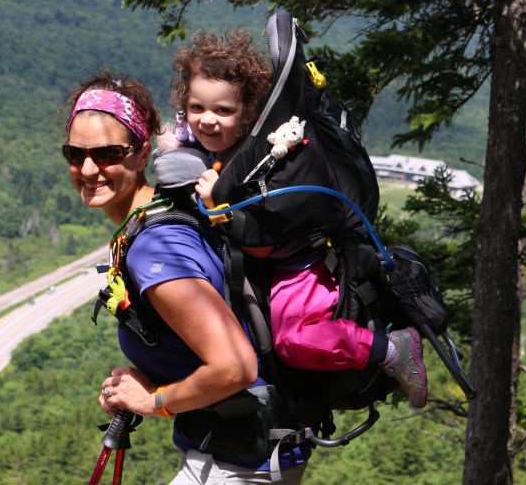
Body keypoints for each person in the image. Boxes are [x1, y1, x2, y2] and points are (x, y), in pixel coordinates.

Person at [62, 70, 309, 483]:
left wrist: (156, 400)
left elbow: (235, 366)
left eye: (107, 154)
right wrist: (147, 380)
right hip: (235, 453)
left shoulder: (157, 246)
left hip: (238, 465)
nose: (88, 169)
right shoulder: (159, 217)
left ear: (142, 155)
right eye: (75, 154)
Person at [166, 29, 428, 409]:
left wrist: (218, 205)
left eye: (223, 111)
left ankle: (390, 349)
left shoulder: (260, 164)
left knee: (294, 341)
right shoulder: (219, 146)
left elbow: (262, 243)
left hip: (301, 265)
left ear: (249, 114)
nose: (207, 121)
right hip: (285, 263)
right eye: (196, 108)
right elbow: (185, 136)